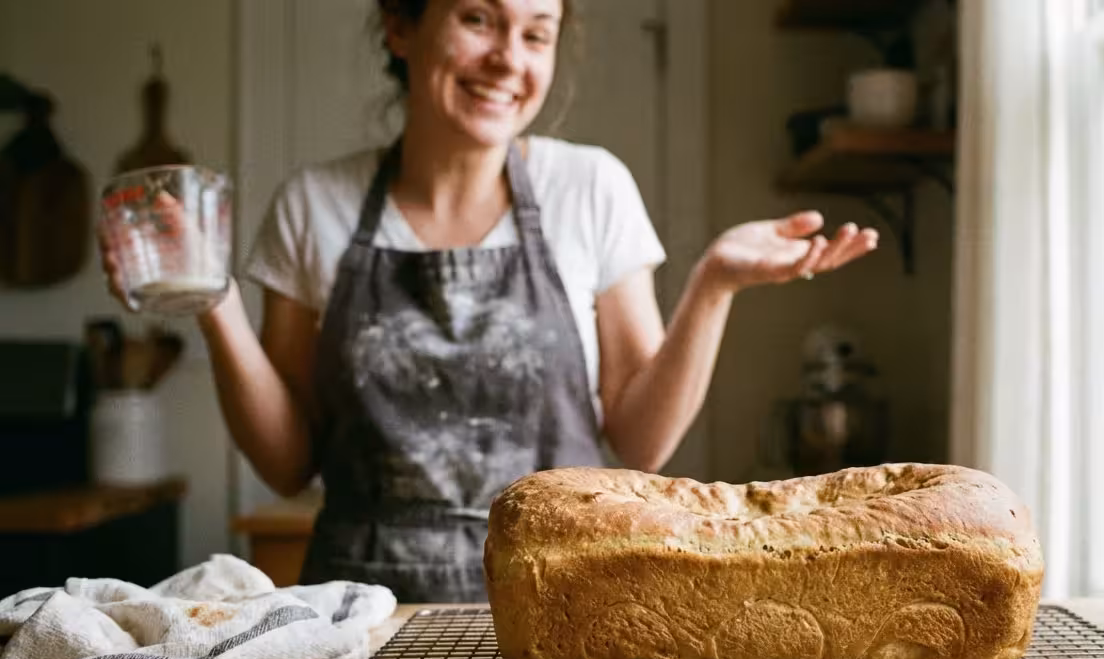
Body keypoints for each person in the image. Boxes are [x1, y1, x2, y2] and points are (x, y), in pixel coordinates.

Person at [99, 0, 879, 603]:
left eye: (537, 32)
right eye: (478, 18)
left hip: (561, 598)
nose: (509, 59)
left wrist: (715, 283)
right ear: (401, 27)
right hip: (360, 614)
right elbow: (286, 462)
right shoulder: (315, 205)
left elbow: (639, 442)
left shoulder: (590, 187)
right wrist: (216, 300)